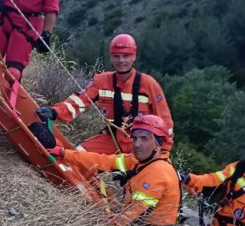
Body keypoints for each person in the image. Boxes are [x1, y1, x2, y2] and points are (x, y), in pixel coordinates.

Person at [49, 114, 181, 226]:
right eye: (135, 138)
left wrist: (105, 223)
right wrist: (65, 154)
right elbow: (102, 161)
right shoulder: (139, 160)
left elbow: (135, 212)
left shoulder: (159, 172)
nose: (137, 144)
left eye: (144, 138)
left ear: (158, 143)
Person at [36, 33, 174, 154]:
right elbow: (81, 100)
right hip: (111, 138)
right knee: (78, 156)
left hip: (142, 143)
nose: (121, 61)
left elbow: (165, 121)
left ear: (134, 57)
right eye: (116, 56)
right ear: (111, 58)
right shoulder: (102, 80)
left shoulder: (149, 84)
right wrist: (55, 112)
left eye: (126, 56)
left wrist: (164, 151)